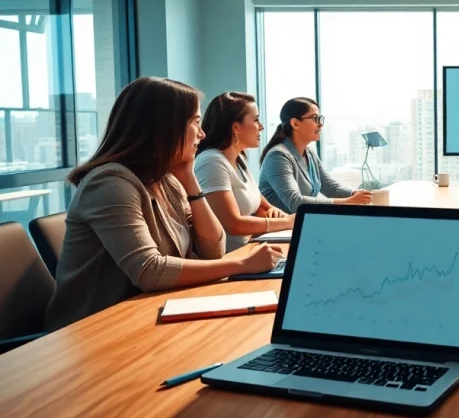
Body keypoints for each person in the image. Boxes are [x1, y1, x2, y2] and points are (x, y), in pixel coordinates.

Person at [46, 78, 285, 331]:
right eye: (195, 123)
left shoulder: (167, 181)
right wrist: (241, 265)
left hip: (144, 314)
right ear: (164, 127)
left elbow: (212, 249)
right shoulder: (111, 183)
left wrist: (190, 180)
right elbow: (149, 271)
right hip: (92, 329)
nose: (202, 134)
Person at [195, 92, 294, 252]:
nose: (261, 126)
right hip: (228, 258)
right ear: (235, 127)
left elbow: (263, 207)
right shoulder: (212, 161)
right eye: (256, 120)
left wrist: (271, 212)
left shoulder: (239, 159)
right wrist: (289, 221)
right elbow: (234, 224)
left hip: (249, 249)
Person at [259, 97, 371, 213]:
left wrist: (356, 194)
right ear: (295, 123)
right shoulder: (277, 156)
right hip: (277, 229)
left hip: (297, 225)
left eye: (320, 118)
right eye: (315, 118)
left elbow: (330, 188)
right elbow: (295, 202)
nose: (320, 124)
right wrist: (348, 202)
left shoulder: (310, 153)